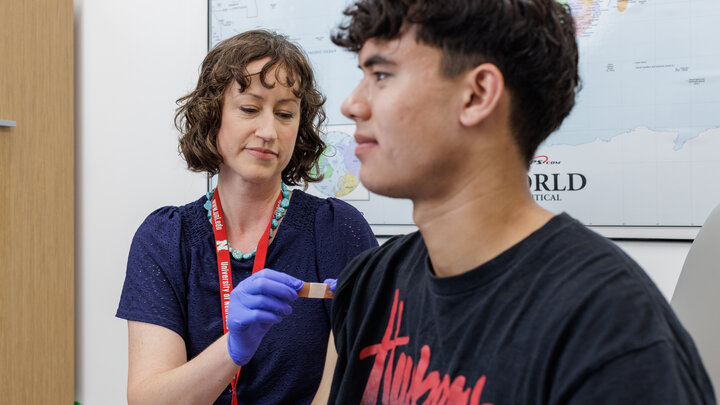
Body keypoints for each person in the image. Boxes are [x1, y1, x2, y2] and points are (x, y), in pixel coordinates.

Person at [311, 1, 718, 404]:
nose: (351, 105)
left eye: (381, 75)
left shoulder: (610, 326)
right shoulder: (369, 285)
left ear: (476, 95)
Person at [116, 30, 377, 404]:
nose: (269, 131)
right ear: (213, 116)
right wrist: (233, 348)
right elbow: (150, 398)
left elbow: (353, 382)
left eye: (285, 114)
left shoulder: (337, 229)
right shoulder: (164, 238)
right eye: (250, 109)